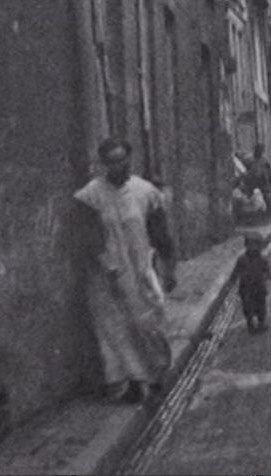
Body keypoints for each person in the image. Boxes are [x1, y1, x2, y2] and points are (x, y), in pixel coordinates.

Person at [73, 138, 174, 403]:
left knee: (148, 322)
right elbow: (88, 239)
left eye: (122, 160)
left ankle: (156, 374)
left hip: (140, 268)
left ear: (130, 159)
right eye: (111, 161)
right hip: (105, 274)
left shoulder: (146, 192)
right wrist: (107, 266)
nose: (118, 166)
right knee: (115, 329)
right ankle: (132, 383)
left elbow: (160, 233)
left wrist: (169, 266)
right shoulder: (90, 196)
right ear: (104, 164)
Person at [231, 231, 271, 334]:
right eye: (251, 245)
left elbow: (267, 269)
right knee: (247, 307)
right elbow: (236, 271)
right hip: (246, 288)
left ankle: (261, 323)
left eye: (256, 245)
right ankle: (250, 325)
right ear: (246, 246)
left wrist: (268, 275)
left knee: (261, 306)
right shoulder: (242, 259)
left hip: (259, 287)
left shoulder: (262, 259)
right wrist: (232, 280)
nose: (254, 248)